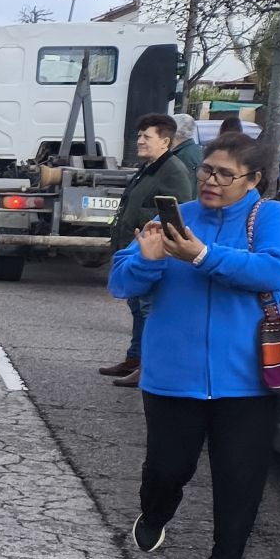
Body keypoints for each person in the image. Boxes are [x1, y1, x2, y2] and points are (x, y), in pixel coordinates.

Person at [109, 133, 280, 559]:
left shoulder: (271, 217)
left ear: (254, 180)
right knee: (167, 469)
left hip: (248, 381)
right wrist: (150, 264)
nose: (210, 181)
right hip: (173, 375)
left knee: (240, 480)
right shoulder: (178, 217)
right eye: (206, 170)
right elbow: (120, 280)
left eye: (224, 174)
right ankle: (154, 514)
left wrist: (200, 255)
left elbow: (277, 272)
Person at [100, 113, 197, 388]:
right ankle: (134, 358)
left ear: (165, 141)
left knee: (146, 311)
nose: (139, 141)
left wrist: (148, 230)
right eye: (139, 136)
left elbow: (178, 214)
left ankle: (146, 365)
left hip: (152, 254)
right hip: (134, 250)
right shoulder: (150, 166)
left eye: (146, 137)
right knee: (136, 308)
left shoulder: (173, 170)